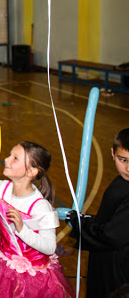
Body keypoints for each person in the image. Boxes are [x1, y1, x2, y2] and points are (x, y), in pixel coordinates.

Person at [0, 142, 74, 298]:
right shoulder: (1, 188)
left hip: (32, 276)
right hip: (3, 262)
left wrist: (22, 229)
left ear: (31, 171)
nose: (7, 160)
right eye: (9, 155)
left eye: (15, 158)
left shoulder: (40, 207)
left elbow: (49, 247)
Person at [67, 128, 129, 298]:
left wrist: (82, 224)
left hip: (117, 267)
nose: (128, 168)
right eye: (123, 160)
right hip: (108, 261)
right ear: (112, 153)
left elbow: (113, 235)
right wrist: (88, 220)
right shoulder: (121, 181)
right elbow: (114, 220)